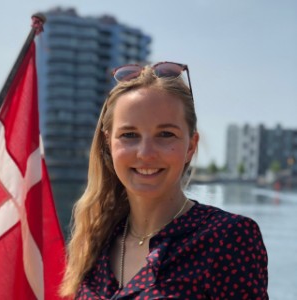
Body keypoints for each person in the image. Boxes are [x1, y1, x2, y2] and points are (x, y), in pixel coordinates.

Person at [59, 62, 268, 299]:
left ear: (190, 146)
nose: (146, 153)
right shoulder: (94, 240)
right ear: (108, 143)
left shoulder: (229, 239)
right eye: (129, 135)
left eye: (166, 134)